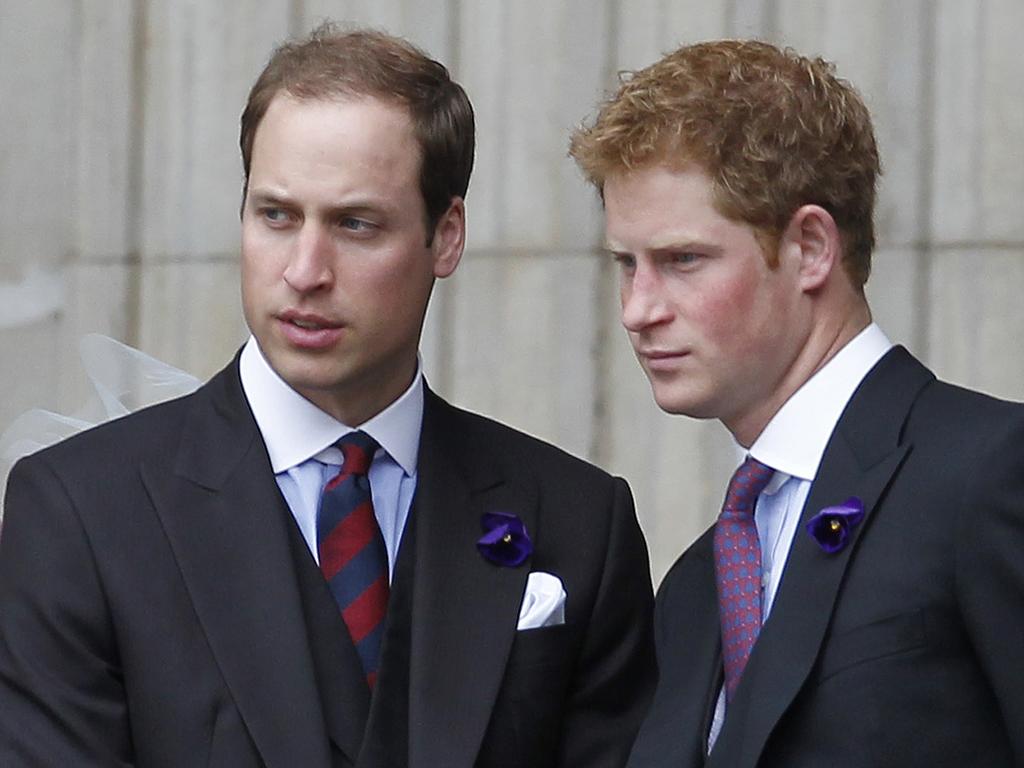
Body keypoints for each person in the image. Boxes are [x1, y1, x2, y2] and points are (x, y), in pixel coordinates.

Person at [0, 24, 655, 767]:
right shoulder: (79, 512)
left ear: (446, 236)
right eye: (276, 215)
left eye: (355, 224)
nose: (305, 270)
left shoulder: (577, 522)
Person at [570, 39, 1024, 768]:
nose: (637, 309)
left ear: (812, 247)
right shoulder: (694, 588)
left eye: (683, 260)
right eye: (627, 264)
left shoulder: (989, 471)